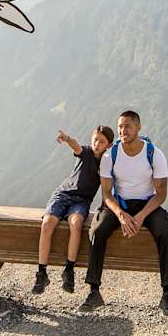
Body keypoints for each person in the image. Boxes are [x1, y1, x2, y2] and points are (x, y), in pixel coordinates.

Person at [79, 110, 168, 314]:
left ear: (138, 127)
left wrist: (140, 217)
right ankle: (94, 291)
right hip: (118, 204)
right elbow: (106, 193)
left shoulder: (154, 154)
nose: (123, 130)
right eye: (120, 126)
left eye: (128, 126)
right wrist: (122, 215)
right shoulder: (110, 154)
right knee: (97, 230)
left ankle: (166, 294)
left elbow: (161, 194)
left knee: (165, 232)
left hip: (148, 205)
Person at [35, 125, 113, 293]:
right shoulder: (85, 152)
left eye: (102, 141)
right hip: (63, 194)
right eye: (95, 139)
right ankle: (41, 273)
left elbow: (109, 185)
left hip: (82, 200)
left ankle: (69, 270)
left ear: (108, 145)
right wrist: (67, 138)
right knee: (47, 223)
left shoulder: (107, 163)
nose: (97, 143)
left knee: (76, 223)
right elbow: (76, 146)